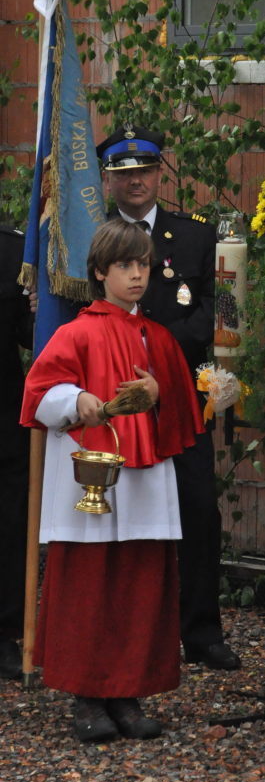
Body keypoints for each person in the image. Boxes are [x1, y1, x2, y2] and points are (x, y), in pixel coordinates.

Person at [20, 220, 204, 741]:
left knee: (139, 584)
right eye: (125, 265)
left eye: (142, 264)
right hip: (88, 482)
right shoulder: (75, 333)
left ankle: (127, 692)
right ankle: (87, 697)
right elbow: (38, 393)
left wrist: (161, 393)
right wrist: (76, 399)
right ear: (100, 272)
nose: (137, 275)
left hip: (146, 482)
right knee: (88, 585)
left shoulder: (159, 338)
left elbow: (185, 414)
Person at [97, 125, 240, 672]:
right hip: (116, 398)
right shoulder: (94, 236)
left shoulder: (197, 237)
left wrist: (157, 351)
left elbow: (221, 310)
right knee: (121, 516)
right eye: (124, 173)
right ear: (108, 179)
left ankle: (202, 634)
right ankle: (126, 635)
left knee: (198, 512)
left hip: (181, 394)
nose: (136, 181)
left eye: (145, 170)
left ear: (161, 174)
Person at [0, 225, 33, 680]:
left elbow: (31, 336)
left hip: (3, 414)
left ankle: (4, 633)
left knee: (8, 526)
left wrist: (39, 308)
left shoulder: (13, 252)